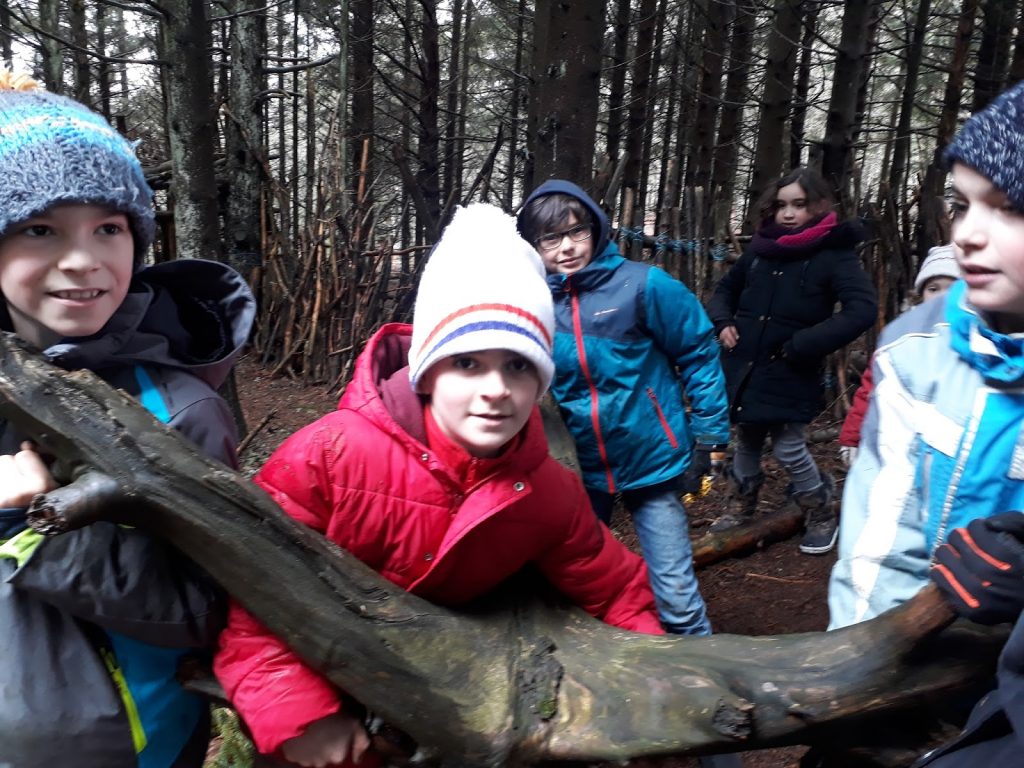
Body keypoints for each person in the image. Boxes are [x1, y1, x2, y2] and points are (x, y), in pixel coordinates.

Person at [214, 203, 665, 768]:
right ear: (427, 371)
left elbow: (617, 589)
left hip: (442, 714)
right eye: (468, 363)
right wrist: (299, 714)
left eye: (519, 365)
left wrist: (656, 686)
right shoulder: (329, 456)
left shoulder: (548, 491)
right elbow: (253, 588)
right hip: (321, 714)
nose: (496, 389)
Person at [0, 72, 256, 766]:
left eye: (108, 228)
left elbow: (207, 608)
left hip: (124, 750)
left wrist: (33, 531)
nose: (83, 260)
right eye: (40, 229)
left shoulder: (177, 410)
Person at [828, 80, 1024, 630]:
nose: (966, 236)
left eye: (1009, 207)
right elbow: (880, 546)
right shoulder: (915, 347)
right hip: (928, 659)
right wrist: (866, 662)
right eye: (962, 205)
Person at [516, 179, 729, 638]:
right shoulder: (532, 303)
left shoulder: (642, 285)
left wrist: (710, 434)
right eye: (551, 238)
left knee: (674, 589)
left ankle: (699, 664)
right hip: (576, 468)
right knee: (575, 583)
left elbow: (698, 351)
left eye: (576, 231)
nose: (567, 247)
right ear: (534, 246)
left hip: (650, 456)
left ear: (595, 228)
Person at [705, 166, 877, 555]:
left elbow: (862, 309)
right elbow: (724, 291)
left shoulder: (833, 255)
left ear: (817, 206)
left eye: (798, 205)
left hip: (790, 368)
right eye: (781, 205)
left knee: (787, 447)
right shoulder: (760, 251)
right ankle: (740, 505)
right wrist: (723, 321)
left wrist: (804, 344)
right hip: (745, 366)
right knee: (747, 439)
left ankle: (820, 508)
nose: (787, 214)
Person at [837, 244, 961, 468]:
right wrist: (853, 438)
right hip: (904, 446)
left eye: (953, 288)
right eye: (933, 289)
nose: (942, 296)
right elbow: (872, 390)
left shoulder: (983, 341)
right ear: (920, 295)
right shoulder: (902, 341)